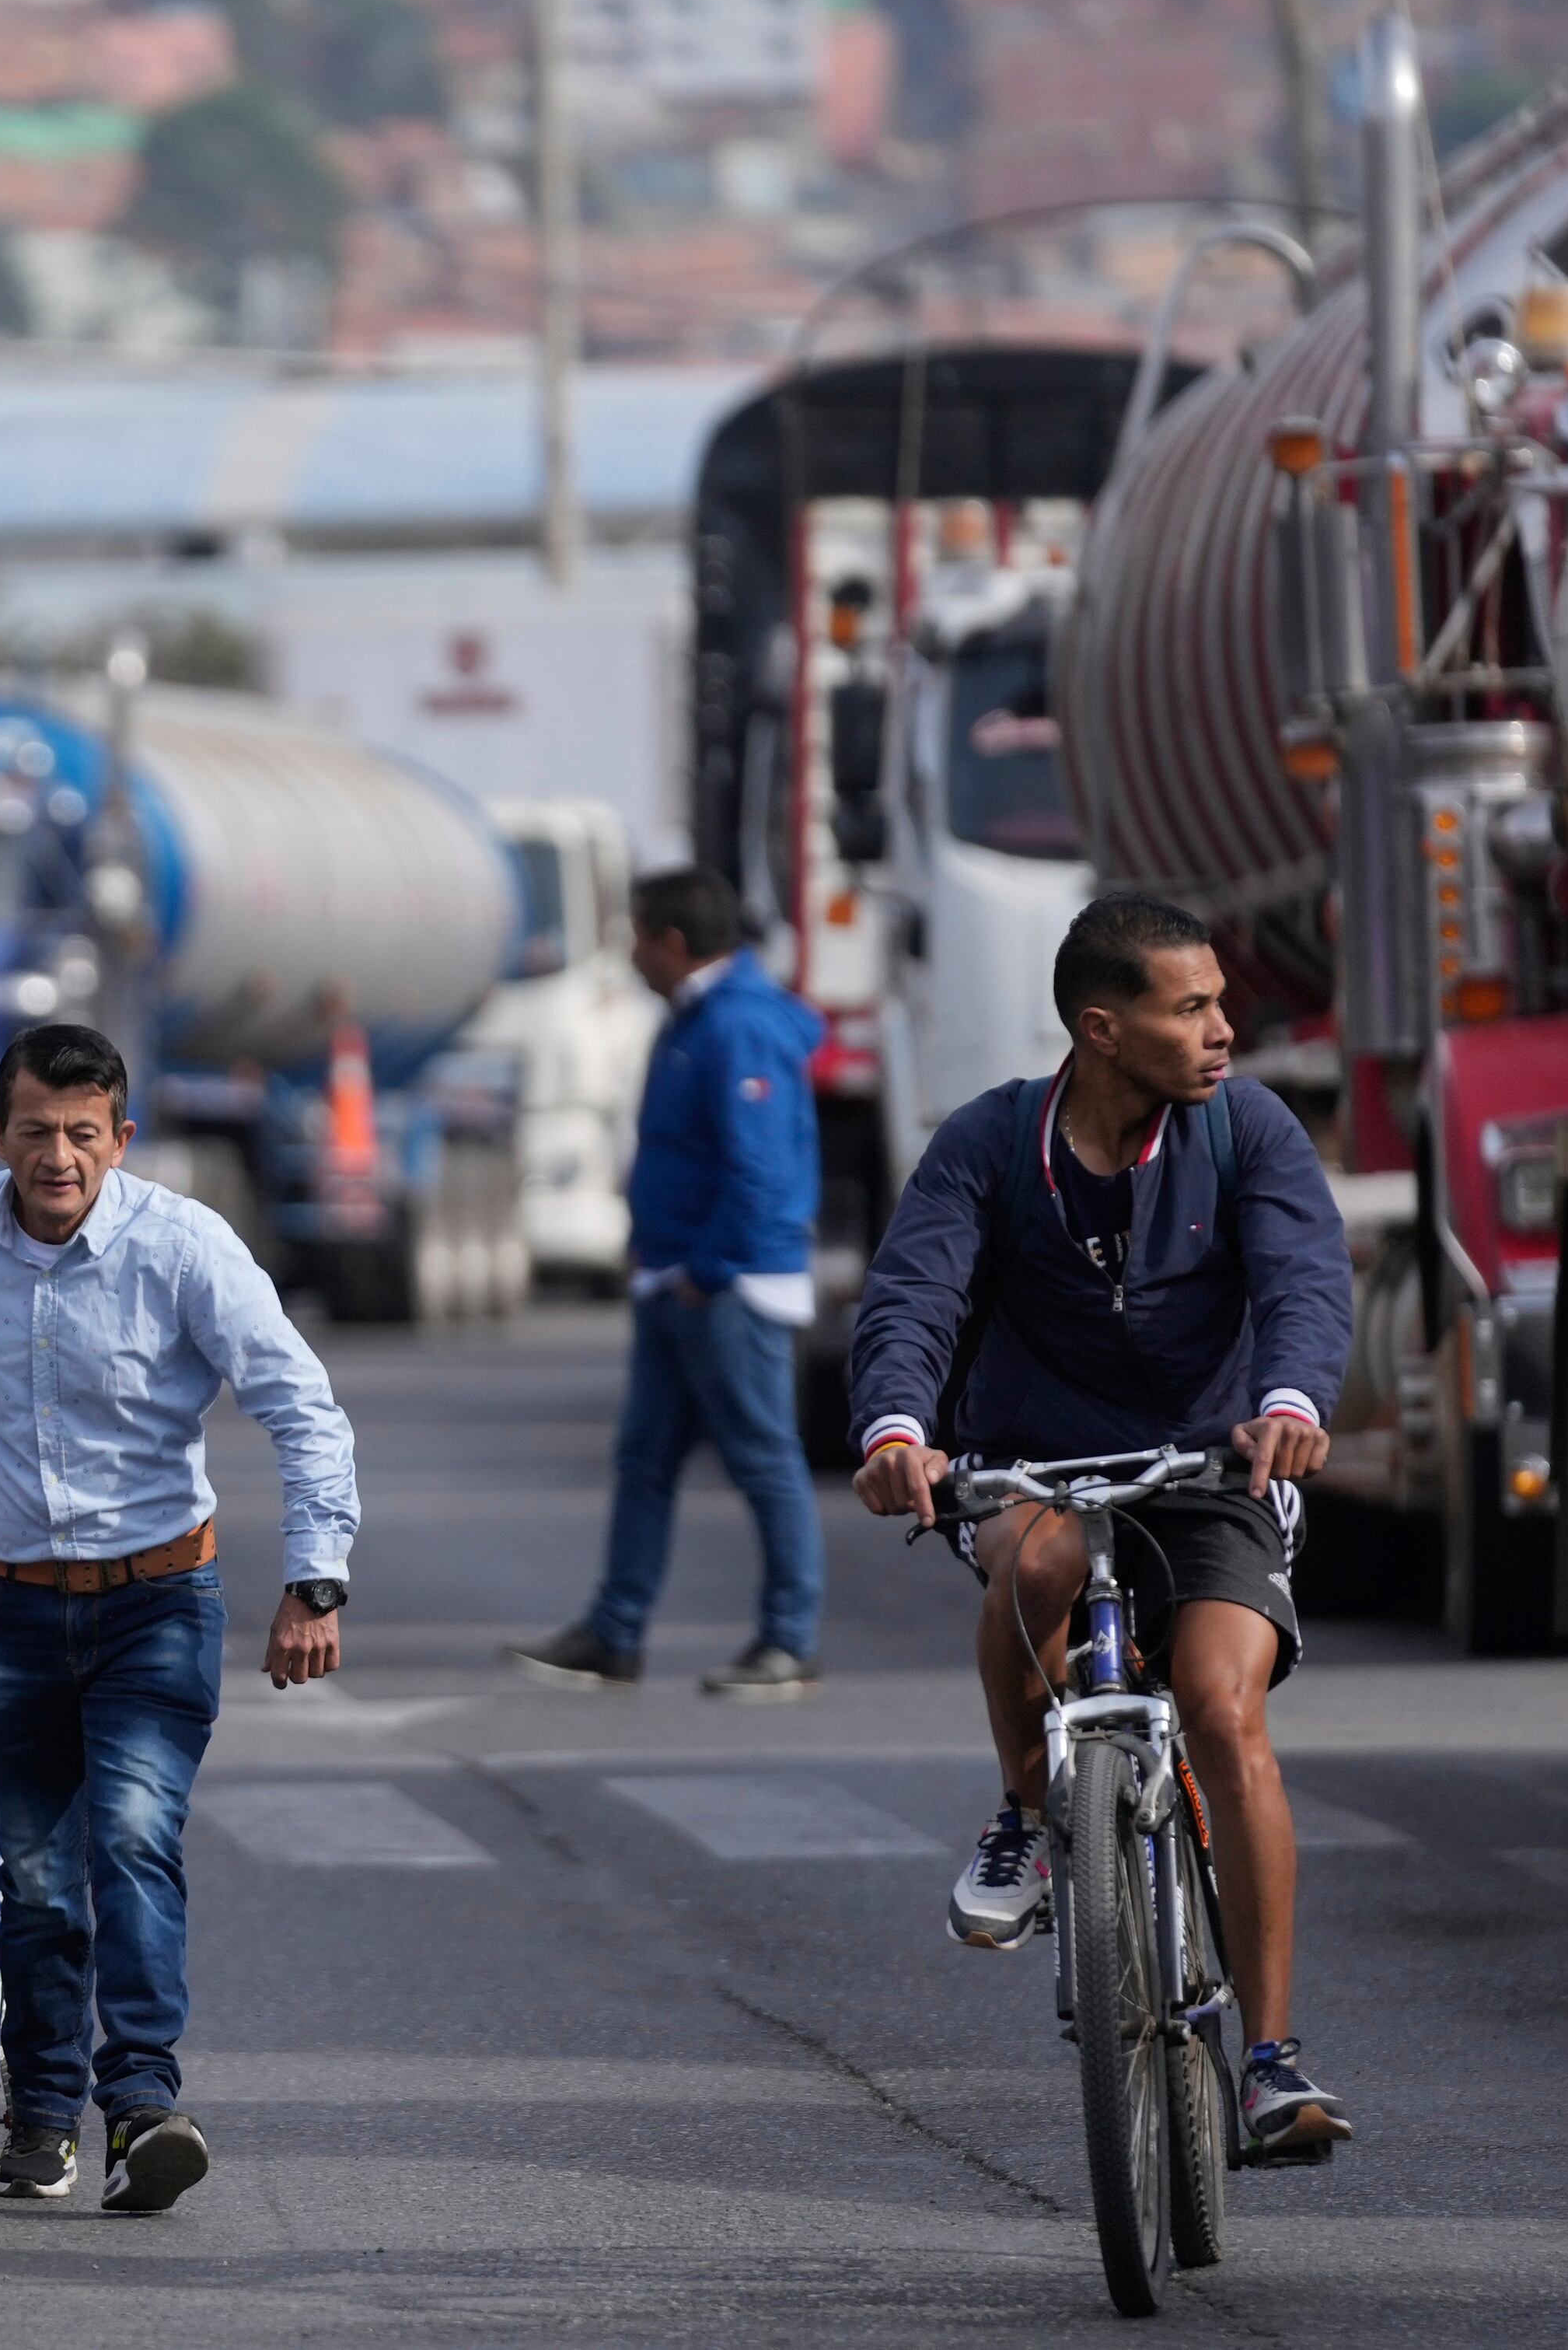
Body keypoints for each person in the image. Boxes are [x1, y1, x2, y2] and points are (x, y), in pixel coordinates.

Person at [847, 894, 1359, 2159]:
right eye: (1191, 1009)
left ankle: (1271, 2060)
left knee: (1223, 1706)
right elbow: (915, 1290)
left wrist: (1291, 1400)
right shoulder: (985, 1144)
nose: (1224, 1030)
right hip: (1041, 1459)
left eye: (1220, 1003)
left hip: (1212, 1461)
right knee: (1039, 1556)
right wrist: (896, 1428)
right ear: (1103, 1027)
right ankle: (1026, 1809)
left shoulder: (1246, 1128)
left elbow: (1305, 1274)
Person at [0, 1022, 358, 2214]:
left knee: (132, 1838)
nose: (58, 1157)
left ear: (121, 1139)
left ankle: (143, 2102)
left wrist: (316, 1577)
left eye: (83, 1135)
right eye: (35, 1131)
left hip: (157, 1602)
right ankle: (42, 2121)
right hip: (7, 1607)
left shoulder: (186, 1246)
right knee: (38, 1872)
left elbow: (302, 1405)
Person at [508, 866, 828, 1698]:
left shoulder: (738, 1027)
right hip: (676, 1278)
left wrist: (706, 1270)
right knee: (643, 1460)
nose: (633, 957)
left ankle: (788, 1640)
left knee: (762, 1460)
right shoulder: (695, 1019)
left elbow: (756, 1169)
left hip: (726, 1287)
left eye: (639, 938)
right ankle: (614, 1633)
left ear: (674, 944)